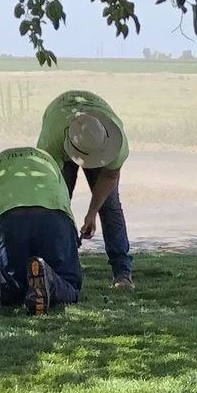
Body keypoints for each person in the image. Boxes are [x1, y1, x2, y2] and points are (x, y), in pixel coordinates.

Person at [37, 89, 133, 290]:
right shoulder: (51, 142)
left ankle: (122, 273)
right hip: (59, 122)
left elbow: (109, 177)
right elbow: (50, 191)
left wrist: (91, 214)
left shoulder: (117, 144)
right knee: (55, 208)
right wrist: (65, 220)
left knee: (110, 207)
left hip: (94, 136)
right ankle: (55, 269)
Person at [0, 144, 83, 314]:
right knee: (70, 284)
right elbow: (63, 200)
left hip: (8, 217)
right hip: (53, 214)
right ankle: (48, 278)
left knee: (15, 284)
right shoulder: (48, 160)